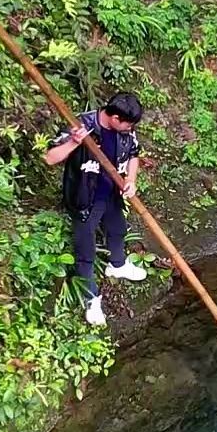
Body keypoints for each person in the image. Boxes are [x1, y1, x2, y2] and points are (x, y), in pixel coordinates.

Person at [44, 92, 148, 325]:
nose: (130, 128)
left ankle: (118, 265)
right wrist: (74, 142)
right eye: (127, 124)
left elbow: (133, 155)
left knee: (118, 229)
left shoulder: (126, 131)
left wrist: (131, 180)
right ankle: (91, 301)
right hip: (84, 198)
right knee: (86, 252)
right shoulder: (81, 125)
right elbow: (50, 157)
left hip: (111, 192)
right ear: (114, 116)